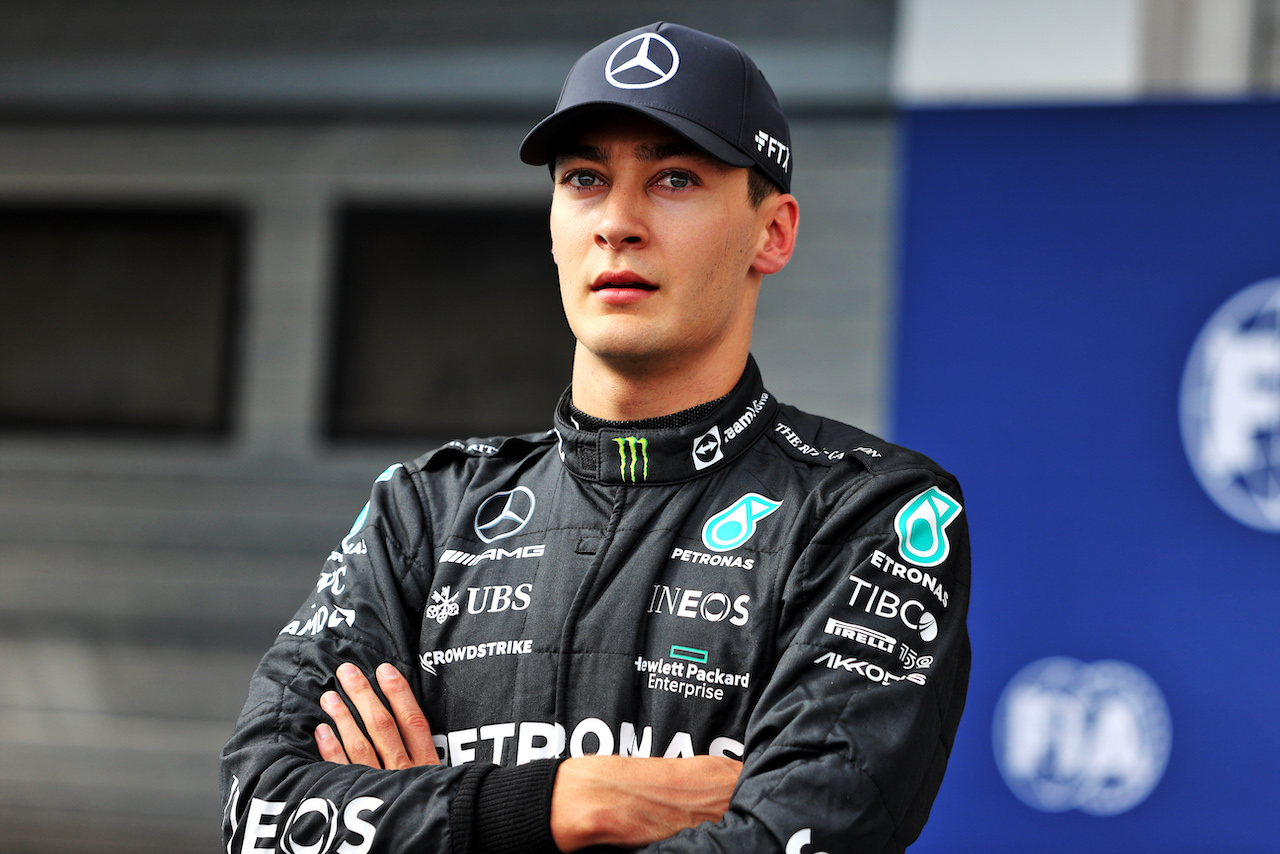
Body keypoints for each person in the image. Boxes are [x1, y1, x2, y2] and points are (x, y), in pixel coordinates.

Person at [221, 21, 969, 854]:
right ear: (552, 227)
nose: (617, 222)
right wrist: (570, 800)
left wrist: (429, 817)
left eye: (675, 178)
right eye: (584, 179)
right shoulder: (422, 516)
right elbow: (263, 808)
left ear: (775, 232)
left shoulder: (868, 514)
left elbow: (797, 833)